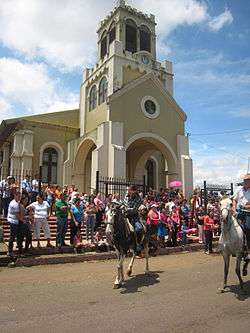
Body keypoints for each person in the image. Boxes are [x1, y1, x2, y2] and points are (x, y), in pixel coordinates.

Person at [233, 173, 250, 249]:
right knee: (233, 227)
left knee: (248, 228)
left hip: (248, 213)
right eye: (244, 180)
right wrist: (234, 209)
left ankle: (248, 247)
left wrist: (246, 206)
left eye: (247, 180)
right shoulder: (239, 189)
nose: (245, 181)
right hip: (238, 212)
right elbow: (234, 199)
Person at [7, 191, 23, 257]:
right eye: (18, 196)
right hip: (13, 221)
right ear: (15, 196)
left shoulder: (16, 202)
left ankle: (19, 252)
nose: (20, 197)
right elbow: (17, 215)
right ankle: (10, 251)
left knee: (19, 236)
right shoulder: (14, 204)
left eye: (20, 196)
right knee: (13, 237)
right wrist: (23, 220)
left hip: (15, 221)